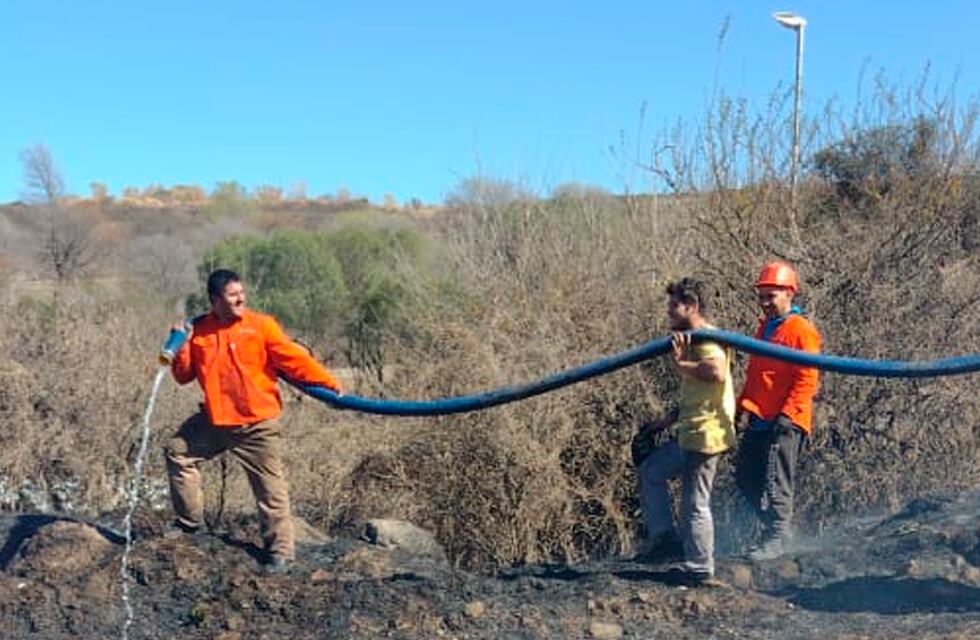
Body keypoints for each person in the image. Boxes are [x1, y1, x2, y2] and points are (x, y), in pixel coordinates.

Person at [164, 269, 344, 573]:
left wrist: (328, 384)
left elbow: (294, 360)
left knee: (270, 491)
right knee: (177, 452)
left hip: (256, 425)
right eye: (233, 295)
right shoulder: (200, 332)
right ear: (215, 300)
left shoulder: (261, 326)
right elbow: (183, 377)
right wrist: (181, 345)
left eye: (242, 293)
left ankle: (280, 553)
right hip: (215, 421)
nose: (241, 299)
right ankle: (189, 524)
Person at [634, 277, 736, 586]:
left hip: (705, 436)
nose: (669, 311)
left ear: (691, 307)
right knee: (652, 470)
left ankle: (701, 568)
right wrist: (667, 420)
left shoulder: (704, 340)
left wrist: (679, 365)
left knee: (695, 503)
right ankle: (665, 541)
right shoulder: (694, 338)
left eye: (674, 305)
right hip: (691, 430)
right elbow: (700, 392)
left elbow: (716, 372)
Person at [735, 261, 821, 562]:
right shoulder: (764, 328)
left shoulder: (800, 330)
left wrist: (787, 415)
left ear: (789, 294)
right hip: (760, 417)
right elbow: (757, 374)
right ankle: (776, 530)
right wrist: (742, 406)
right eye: (762, 296)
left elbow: (808, 377)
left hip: (787, 420)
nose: (765, 303)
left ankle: (776, 536)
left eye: (771, 296)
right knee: (746, 478)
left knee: (775, 480)